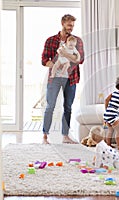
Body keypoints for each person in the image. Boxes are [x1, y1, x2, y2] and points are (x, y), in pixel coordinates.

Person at [41, 14, 84, 144]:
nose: (71, 28)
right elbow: (44, 60)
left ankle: (65, 136)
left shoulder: (77, 41)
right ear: (63, 23)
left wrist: (66, 55)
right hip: (54, 79)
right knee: (50, 107)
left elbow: (80, 59)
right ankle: (45, 136)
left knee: (68, 107)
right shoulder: (51, 40)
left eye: (73, 25)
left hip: (70, 79)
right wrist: (55, 66)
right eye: (69, 25)